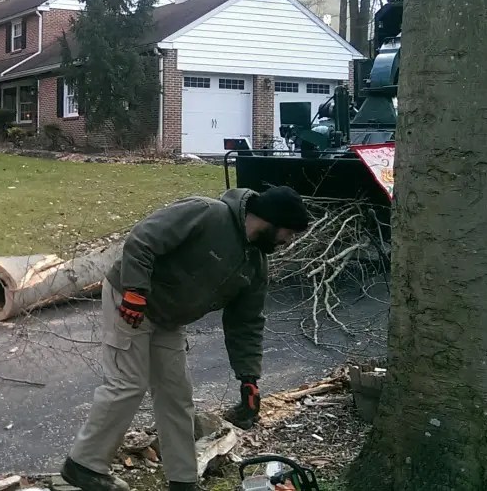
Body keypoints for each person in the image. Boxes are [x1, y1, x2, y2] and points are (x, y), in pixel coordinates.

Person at [60, 186, 310, 491]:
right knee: (128, 383)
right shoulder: (207, 214)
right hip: (129, 298)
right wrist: (136, 290)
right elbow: (143, 239)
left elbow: (246, 322)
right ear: (273, 220)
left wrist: (248, 377)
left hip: (168, 319)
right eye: (289, 233)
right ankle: (83, 465)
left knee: (177, 396)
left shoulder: (255, 264)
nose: (289, 242)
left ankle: (183, 481)